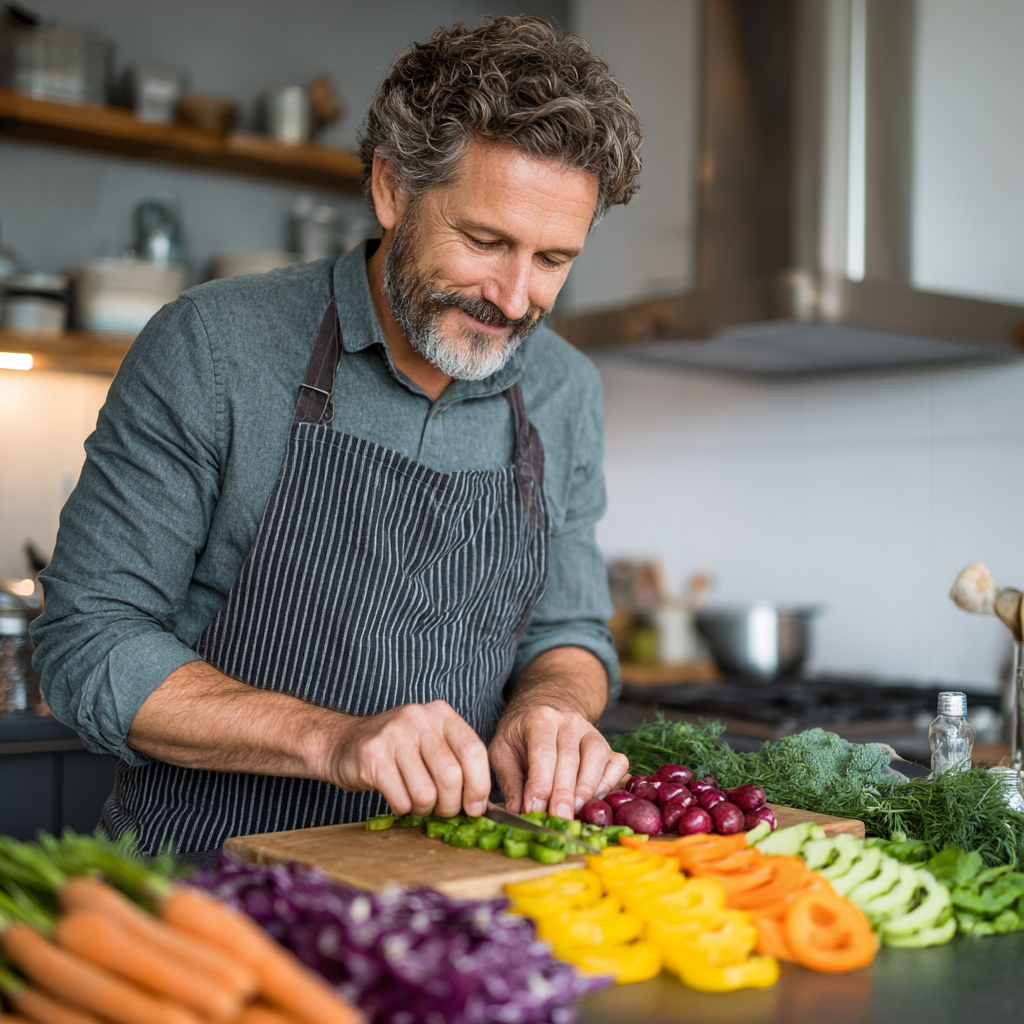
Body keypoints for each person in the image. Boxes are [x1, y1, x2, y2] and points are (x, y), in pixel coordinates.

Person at [31, 16, 643, 854]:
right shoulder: (213, 346)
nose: (512, 297)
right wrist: (337, 740)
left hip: (458, 894)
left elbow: (568, 633)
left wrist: (553, 707)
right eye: (484, 241)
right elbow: (87, 641)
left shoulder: (565, 388)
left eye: (552, 260)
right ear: (392, 190)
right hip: (208, 890)